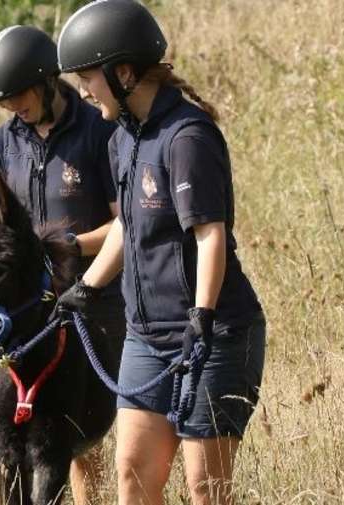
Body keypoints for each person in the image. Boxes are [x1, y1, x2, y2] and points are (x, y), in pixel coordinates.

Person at [55, 1, 266, 504]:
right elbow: (128, 225)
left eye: (89, 77)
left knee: (205, 488)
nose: (84, 91)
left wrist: (202, 314)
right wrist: (86, 288)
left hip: (214, 336)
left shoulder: (187, 137)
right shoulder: (122, 140)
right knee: (131, 472)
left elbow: (210, 235)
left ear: (123, 72)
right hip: (146, 338)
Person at [0, 25, 126, 505]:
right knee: (37, 437)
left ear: (45, 81)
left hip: (95, 300)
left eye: (17, 95)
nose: (11, 108)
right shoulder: (5, 142)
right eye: (3, 101)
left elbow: (125, 226)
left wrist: (66, 247)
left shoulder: (99, 131)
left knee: (87, 436)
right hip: (31, 313)